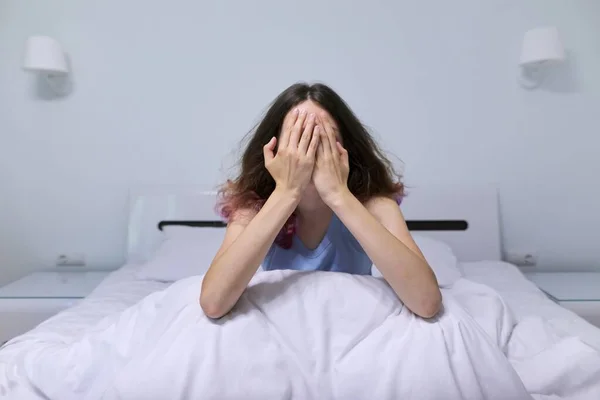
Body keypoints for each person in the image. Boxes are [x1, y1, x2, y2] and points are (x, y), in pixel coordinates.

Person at [200, 82, 442, 320]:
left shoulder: (377, 207)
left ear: (346, 149)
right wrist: (287, 192)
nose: (311, 151)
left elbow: (426, 302)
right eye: (299, 138)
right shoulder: (252, 211)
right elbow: (213, 302)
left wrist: (339, 195)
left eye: (324, 138)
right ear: (273, 151)